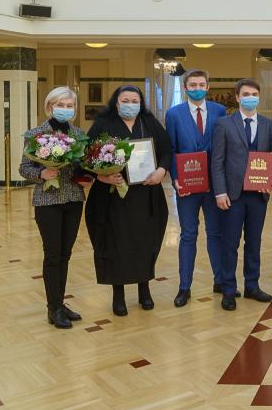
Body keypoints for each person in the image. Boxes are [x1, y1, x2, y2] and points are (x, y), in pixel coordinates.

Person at [85, 85, 172, 316]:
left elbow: (167, 151)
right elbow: (86, 156)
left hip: (146, 194)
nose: (130, 105)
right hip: (113, 197)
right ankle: (118, 294)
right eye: (125, 100)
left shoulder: (150, 123)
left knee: (145, 242)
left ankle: (144, 289)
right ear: (116, 102)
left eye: (135, 100)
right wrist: (101, 176)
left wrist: (162, 170)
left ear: (141, 103)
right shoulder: (103, 125)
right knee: (117, 244)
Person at [19, 87, 90, 329]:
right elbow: (24, 168)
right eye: (61, 105)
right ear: (50, 106)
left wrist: (89, 175)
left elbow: (82, 167)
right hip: (47, 201)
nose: (65, 109)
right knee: (52, 255)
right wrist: (42, 173)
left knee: (65, 254)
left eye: (70, 106)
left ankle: (60, 303)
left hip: (73, 199)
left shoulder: (79, 134)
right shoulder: (36, 134)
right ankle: (53, 308)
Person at [212, 78, 272, 311]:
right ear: (237, 98)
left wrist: (270, 178)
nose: (251, 98)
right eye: (246, 94)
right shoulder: (224, 124)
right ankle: (228, 290)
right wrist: (220, 192)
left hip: (258, 194)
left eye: (254, 94)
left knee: (254, 242)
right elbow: (217, 161)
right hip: (232, 195)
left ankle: (252, 285)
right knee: (230, 243)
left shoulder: (269, 124)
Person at [165, 69, 228, 308]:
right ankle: (184, 287)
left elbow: (224, 146)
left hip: (214, 185)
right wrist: (175, 178)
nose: (197, 89)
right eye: (193, 85)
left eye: (202, 84)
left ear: (208, 86)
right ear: (185, 88)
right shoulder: (174, 114)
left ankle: (220, 280)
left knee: (216, 234)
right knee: (188, 235)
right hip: (187, 185)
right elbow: (171, 149)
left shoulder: (219, 111)